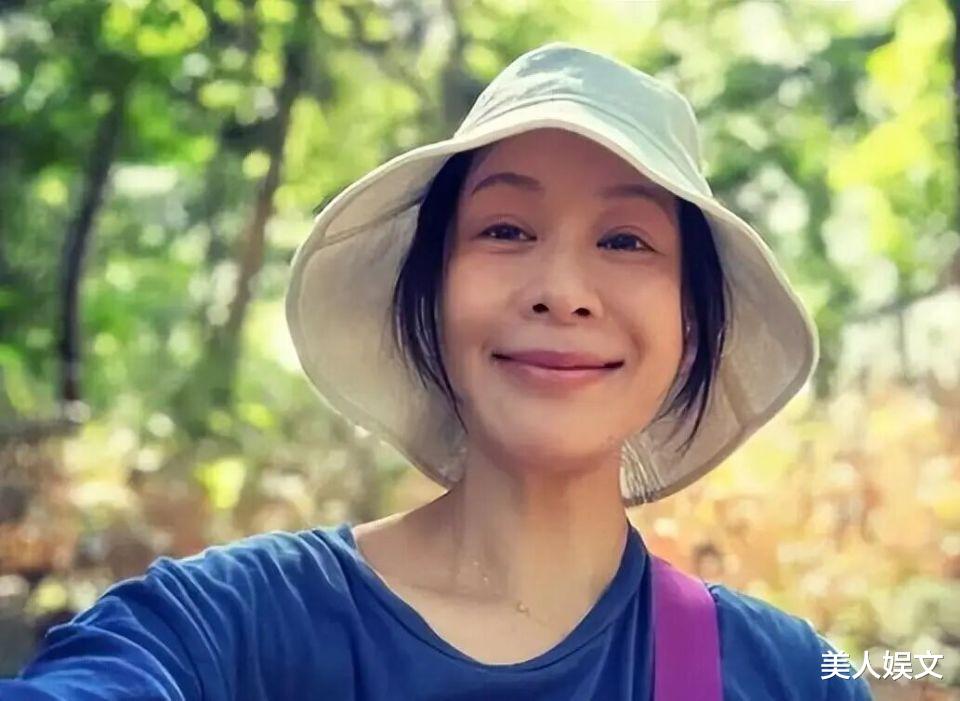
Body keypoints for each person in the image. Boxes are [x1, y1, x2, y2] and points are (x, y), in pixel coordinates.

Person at [1, 42, 874, 699]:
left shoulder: (788, 675)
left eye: (625, 241)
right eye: (505, 230)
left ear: (689, 323)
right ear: (430, 292)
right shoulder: (225, 629)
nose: (563, 291)